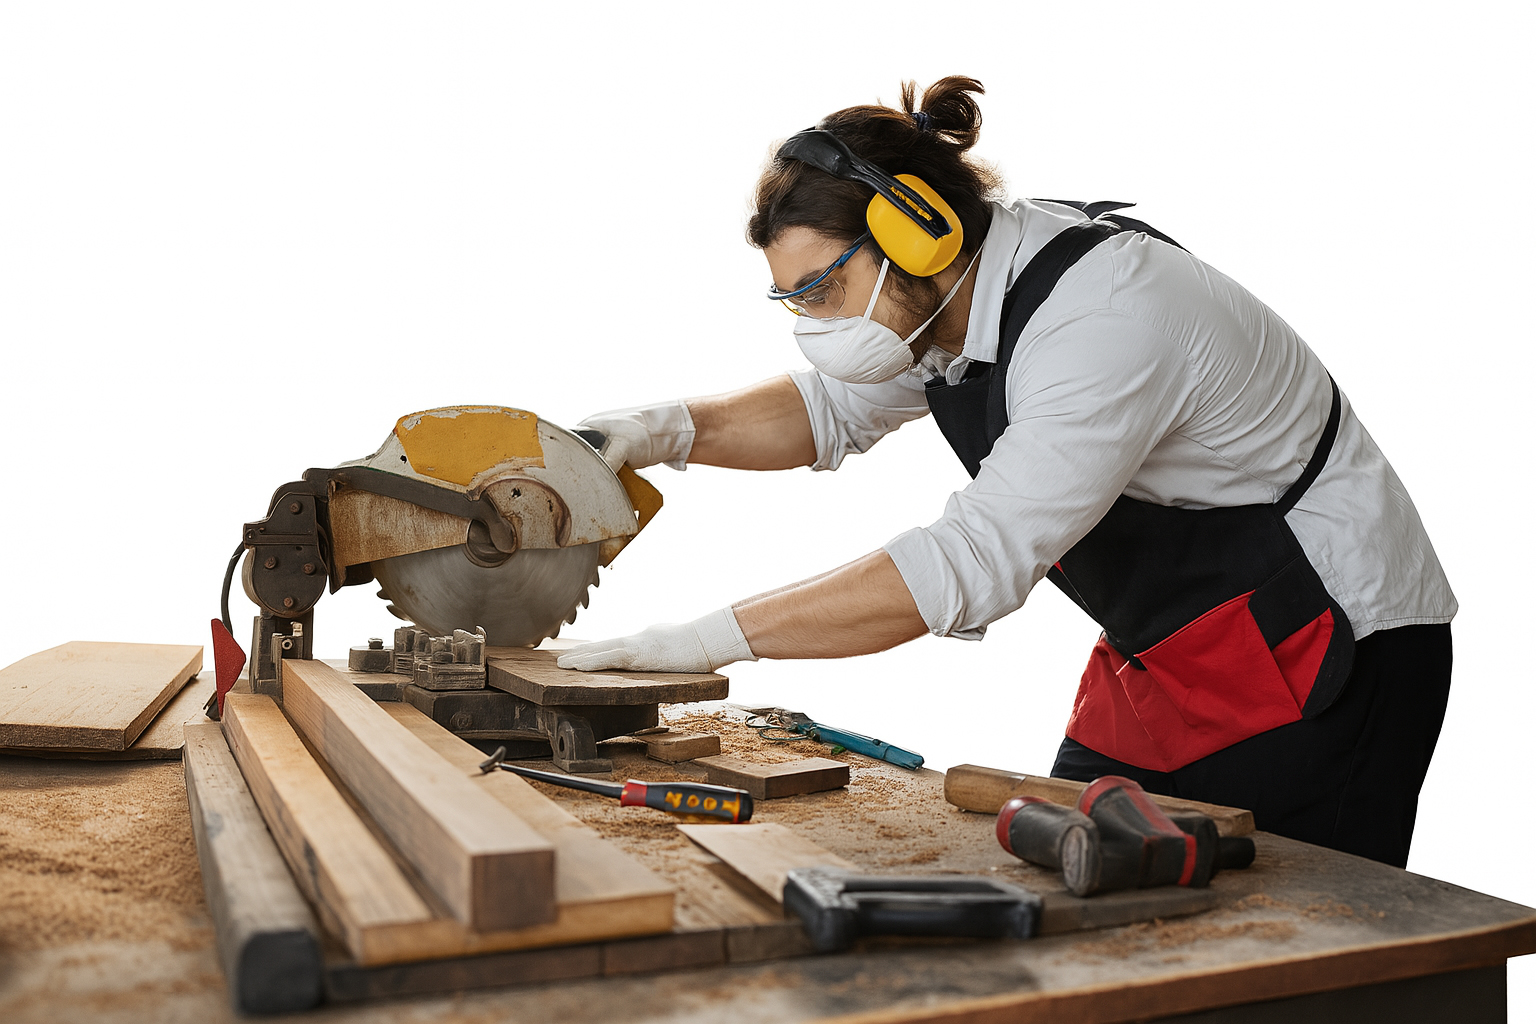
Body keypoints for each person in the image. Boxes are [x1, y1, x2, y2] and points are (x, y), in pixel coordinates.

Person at [558, 76, 1456, 868]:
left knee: (1296, 944)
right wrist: (656, 429)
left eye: (822, 288)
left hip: (1326, 645)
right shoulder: (945, 305)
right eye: (792, 298)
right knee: (1069, 880)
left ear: (916, 232)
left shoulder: (1099, 319)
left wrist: (704, 641)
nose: (812, 321)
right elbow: (829, 409)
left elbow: (970, 561)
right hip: (1179, 645)